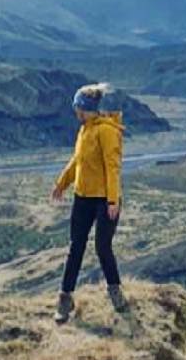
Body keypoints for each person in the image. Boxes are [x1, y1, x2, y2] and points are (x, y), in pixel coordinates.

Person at [51, 82, 130, 324]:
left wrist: (113, 200)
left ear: (86, 108)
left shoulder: (106, 131)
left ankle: (115, 292)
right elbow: (78, 161)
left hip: (104, 199)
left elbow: (112, 167)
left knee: (102, 247)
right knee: (76, 246)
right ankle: (65, 299)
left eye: (78, 108)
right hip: (82, 197)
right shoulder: (84, 130)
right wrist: (62, 183)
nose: (76, 112)